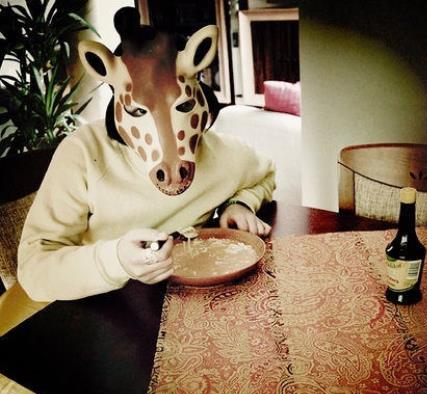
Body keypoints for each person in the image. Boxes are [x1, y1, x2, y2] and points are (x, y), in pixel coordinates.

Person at [16, 7, 275, 302]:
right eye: (137, 111)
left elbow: (264, 174)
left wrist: (239, 204)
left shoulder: (223, 152)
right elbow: (34, 269)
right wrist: (116, 260)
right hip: (106, 306)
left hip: (194, 292)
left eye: (183, 107)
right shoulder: (83, 153)